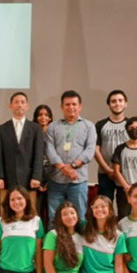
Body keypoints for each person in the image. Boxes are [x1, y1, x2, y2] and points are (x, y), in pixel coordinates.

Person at [44, 90, 96, 221]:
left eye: (74, 104)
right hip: (56, 180)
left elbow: (90, 150)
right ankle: (54, 241)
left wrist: (73, 166)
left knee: (79, 217)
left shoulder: (88, 126)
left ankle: (78, 242)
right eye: (67, 104)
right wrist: (63, 168)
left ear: (80, 106)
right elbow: (49, 149)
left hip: (78, 181)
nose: (71, 107)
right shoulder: (53, 126)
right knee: (54, 218)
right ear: (62, 107)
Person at [0, 92, 44, 214]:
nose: (19, 105)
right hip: (7, 178)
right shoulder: (1, 129)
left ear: (27, 106)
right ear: (10, 106)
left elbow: (38, 154)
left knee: (30, 212)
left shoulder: (35, 128)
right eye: (16, 102)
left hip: (29, 179)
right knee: (5, 212)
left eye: (22, 102)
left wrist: (37, 176)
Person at [110, 116, 137, 218]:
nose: (134, 130)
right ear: (126, 130)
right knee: (123, 216)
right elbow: (116, 170)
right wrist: (127, 187)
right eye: (131, 128)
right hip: (123, 189)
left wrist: (135, 187)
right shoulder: (120, 148)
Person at [94, 90, 131, 211]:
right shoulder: (100, 124)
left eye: (120, 100)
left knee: (124, 209)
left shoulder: (131, 124)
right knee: (104, 208)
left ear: (126, 103)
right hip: (106, 174)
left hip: (126, 174)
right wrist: (108, 170)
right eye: (113, 101)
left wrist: (118, 172)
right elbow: (96, 150)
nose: (117, 103)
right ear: (109, 104)